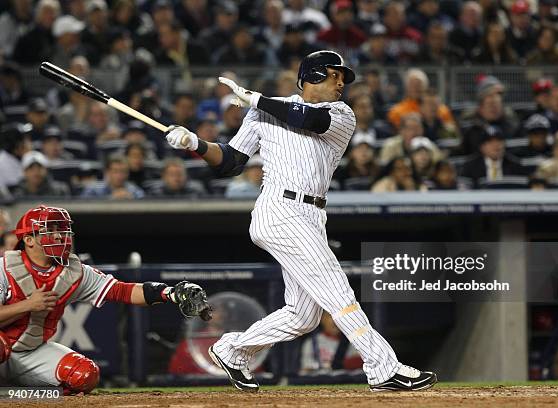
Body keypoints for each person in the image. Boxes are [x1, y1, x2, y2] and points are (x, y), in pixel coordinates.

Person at [164, 50, 437, 392]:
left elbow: (308, 120)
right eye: (335, 75)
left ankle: (233, 349)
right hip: (279, 209)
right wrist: (195, 144)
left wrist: (258, 99)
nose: (341, 83)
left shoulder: (341, 114)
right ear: (314, 75)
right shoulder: (264, 110)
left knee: (303, 316)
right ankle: (382, 366)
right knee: (337, 289)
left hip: (312, 215)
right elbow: (231, 161)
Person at [0, 205, 211, 394]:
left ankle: (24, 396)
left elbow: (121, 291)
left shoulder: (74, 272)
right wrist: (27, 305)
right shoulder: (4, 268)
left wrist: (170, 293)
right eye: (51, 230)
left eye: (62, 229)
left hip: (32, 351)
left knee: (84, 375)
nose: (59, 236)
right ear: (28, 240)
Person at [81, 154, 145, 199]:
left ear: (128, 173)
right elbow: (83, 208)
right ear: (107, 172)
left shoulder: (135, 191)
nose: (119, 175)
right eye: (115, 171)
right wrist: (111, 199)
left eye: (123, 171)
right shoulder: (93, 189)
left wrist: (132, 202)